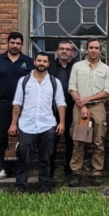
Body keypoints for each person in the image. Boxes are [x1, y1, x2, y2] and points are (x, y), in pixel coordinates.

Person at [9, 52, 67, 193]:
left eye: (44, 61)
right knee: (24, 159)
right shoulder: (24, 81)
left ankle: (44, 189)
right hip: (26, 126)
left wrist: (62, 123)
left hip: (47, 126)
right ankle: (20, 188)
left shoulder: (54, 82)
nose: (42, 63)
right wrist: (13, 123)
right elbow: (17, 103)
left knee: (46, 160)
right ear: (34, 62)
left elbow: (61, 104)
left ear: (48, 64)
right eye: (39, 60)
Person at [0, 32, 34, 179]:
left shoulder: (29, 62)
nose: (15, 46)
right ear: (7, 43)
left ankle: (20, 169)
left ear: (22, 45)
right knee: (3, 139)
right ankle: (6, 169)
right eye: (12, 43)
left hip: (23, 106)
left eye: (18, 43)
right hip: (1, 104)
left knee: (23, 139)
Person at [68, 39, 109, 187]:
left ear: (101, 51)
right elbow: (72, 87)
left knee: (98, 141)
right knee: (78, 140)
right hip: (79, 106)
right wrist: (82, 105)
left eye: (97, 48)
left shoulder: (106, 69)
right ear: (86, 49)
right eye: (91, 47)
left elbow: (107, 92)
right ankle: (76, 173)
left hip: (98, 106)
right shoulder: (77, 67)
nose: (94, 50)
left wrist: (88, 99)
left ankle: (97, 173)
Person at [47, 40, 75, 177]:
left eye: (68, 49)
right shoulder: (49, 68)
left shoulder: (77, 68)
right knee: (52, 140)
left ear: (72, 53)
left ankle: (69, 169)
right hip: (52, 110)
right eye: (62, 49)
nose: (64, 51)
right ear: (57, 51)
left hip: (72, 108)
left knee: (71, 140)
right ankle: (50, 170)